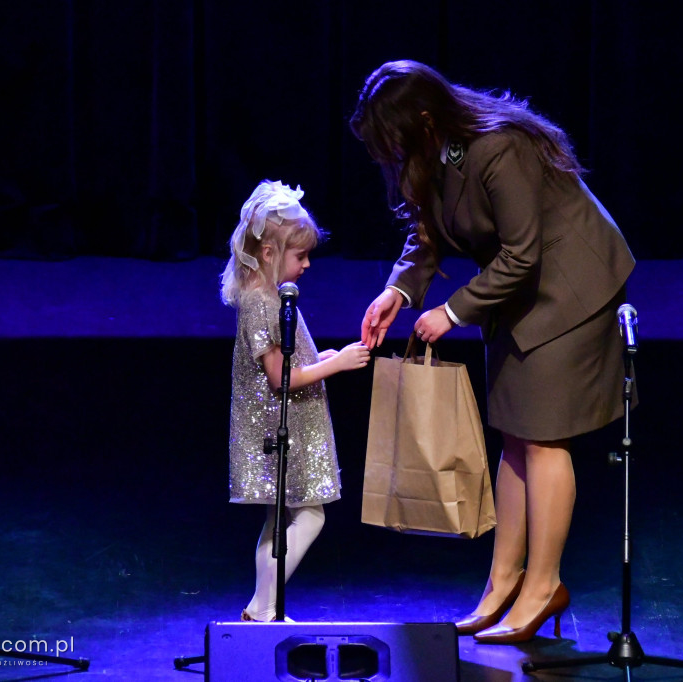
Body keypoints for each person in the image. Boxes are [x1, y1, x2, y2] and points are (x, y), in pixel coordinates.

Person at [350, 60, 636, 644]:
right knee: (514, 433)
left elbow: (522, 254)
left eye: (397, 141)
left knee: (544, 435)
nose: (393, 158)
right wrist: (397, 291)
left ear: (426, 121)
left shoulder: (497, 148)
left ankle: (544, 584)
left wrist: (451, 311)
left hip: (570, 289)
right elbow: (425, 233)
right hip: (515, 295)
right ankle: (504, 580)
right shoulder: (435, 153)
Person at [220, 179, 370, 622]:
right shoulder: (260, 303)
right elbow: (279, 378)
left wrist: (316, 356)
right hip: (278, 425)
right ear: (268, 253)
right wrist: (337, 363)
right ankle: (261, 607)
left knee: (280, 520)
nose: (306, 265)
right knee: (310, 517)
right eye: (299, 255)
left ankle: (261, 610)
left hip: (289, 421)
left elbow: (288, 360)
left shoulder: (269, 295)